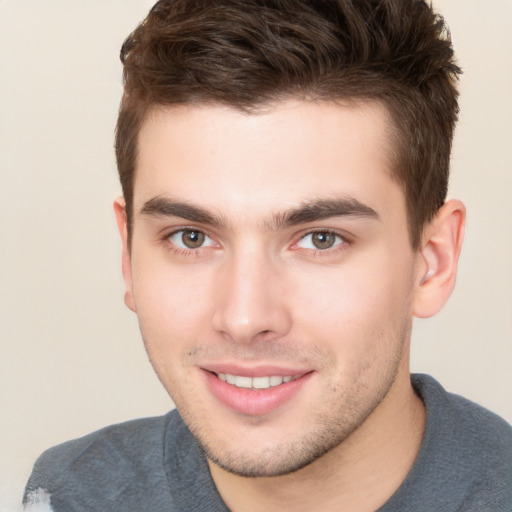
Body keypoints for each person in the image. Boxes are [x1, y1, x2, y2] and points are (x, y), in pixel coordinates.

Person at [23, 0, 512, 510]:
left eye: (321, 239)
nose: (244, 318)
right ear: (128, 253)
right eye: (191, 237)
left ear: (432, 262)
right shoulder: (70, 494)